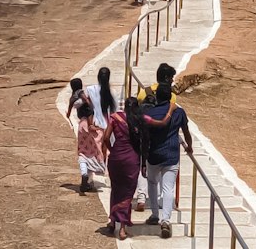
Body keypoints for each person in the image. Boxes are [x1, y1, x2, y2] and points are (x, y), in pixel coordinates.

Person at [141, 74, 193, 238]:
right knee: (168, 188)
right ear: (170, 97)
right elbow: (186, 132)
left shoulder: (150, 112)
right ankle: (166, 220)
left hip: (153, 154)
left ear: (156, 97)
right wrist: (189, 147)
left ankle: (155, 215)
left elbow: (144, 138)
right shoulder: (179, 112)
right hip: (171, 154)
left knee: (152, 182)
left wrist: (143, 160)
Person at [102, 94, 145, 239]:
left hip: (116, 158)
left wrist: (113, 149)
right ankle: (122, 228)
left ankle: (113, 222)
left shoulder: (115, 117)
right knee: (127, 194)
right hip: (131, 159)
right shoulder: (138, 121)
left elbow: (106, 137)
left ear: (125, 106)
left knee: (116, 189)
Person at [75, 99, 108, 194]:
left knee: (82, 159)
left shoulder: (81, 122)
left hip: (82, 146)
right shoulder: (89, 123)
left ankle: (84, 175)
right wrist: (101, 129)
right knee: (89, 161)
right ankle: (87, 180)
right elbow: (94, 131)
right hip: (91, 148)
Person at [86, 65, 119, 130]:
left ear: (98, 77)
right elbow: (115, 110)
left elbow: (88, 108)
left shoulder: (91, 90)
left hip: (94, 123)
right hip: (108, 125)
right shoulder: (113, 92)